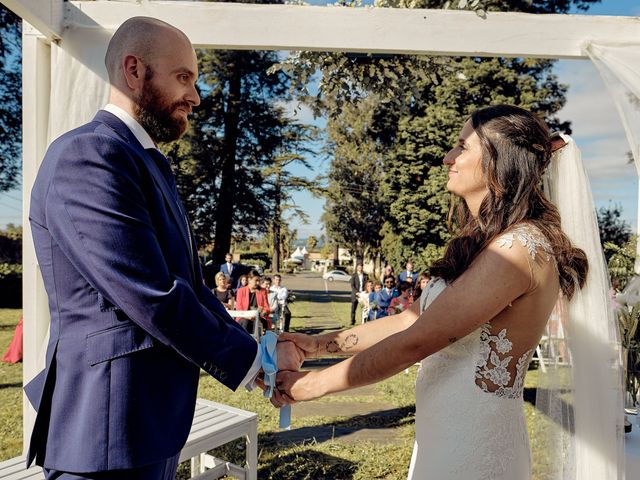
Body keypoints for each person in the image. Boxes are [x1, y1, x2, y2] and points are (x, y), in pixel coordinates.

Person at [25, 17, 303, 479]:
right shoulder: (88, 155)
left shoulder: (147, 164)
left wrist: (259, 355)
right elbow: (149, 291)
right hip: (104, 427)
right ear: (134, 71)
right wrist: (255, 359)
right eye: (183, 78)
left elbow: (190, 289)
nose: (195, 96)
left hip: (149, 422)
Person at [276, 105, 598, 479]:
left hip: (475, 449)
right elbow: (407, 321)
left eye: (462, 147)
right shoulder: (485, 244)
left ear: (499, 162)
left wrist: (312, 384)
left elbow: (416, 341)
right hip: (444, 435)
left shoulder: (517, 250)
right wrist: (315, 345)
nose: (448, 157)